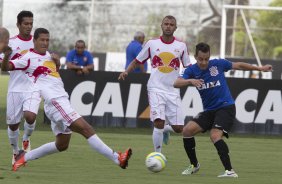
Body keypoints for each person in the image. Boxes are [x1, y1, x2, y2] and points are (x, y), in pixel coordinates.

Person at [1, 27, 132, 171]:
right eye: (42, 40)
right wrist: (7, 55)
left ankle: (23, 158)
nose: (45, 43)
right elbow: (7, 66)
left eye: (47, 40)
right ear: (34, 41)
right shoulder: (27, 57)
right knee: (86, 129)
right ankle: (117, 158)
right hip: (55, 102)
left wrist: (57, 64)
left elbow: (51, 77)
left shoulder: (50, 56)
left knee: (62, 145)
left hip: (61, 101)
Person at [173, 42, 273, 177]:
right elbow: (176, 83)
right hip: (209, 110)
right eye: (201, 59)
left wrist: (260, 68)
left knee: (214, 135)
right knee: (187, 131)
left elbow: (239, 65)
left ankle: (229, 171)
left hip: (226, 107)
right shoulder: (191, 71)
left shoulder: (218, 64)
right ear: (195, 57)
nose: (204, 62)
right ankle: (194, 165)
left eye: (206, 59)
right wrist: (190, 81)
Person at [118, 15, 191, 152]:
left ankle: (165, 130)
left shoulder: (181, 46)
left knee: (179, 128)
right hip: (155, 88)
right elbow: (137, 60)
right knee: (158, 122)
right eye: (166, 23)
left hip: (173, 90)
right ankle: (158, 155)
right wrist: (126, 71)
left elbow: (188, 66)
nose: (168, 26)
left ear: (175, 27)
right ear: (161, 26)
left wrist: (192, 78)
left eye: (171, 24)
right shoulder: (152, 44)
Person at [5, 11, 39, 165]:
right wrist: (6, 55)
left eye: (31, 23)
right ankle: (16, 151)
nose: (29, 26)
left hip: (33, 87)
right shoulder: (10, 43)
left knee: (30, 116)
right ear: (18, 24)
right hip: (14, 88)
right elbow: (3, 66)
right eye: (26, 23)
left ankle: (26, 138)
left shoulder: (37, 42)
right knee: (12, 124)